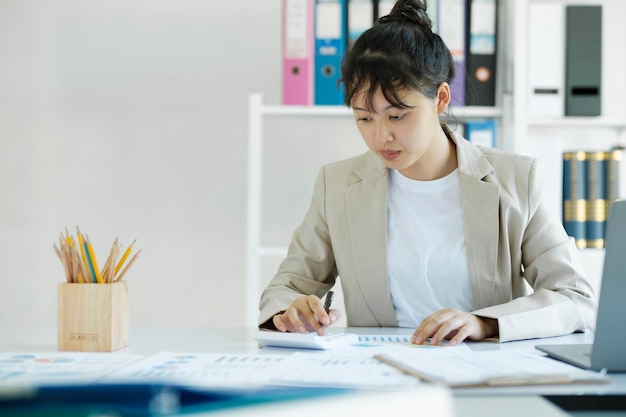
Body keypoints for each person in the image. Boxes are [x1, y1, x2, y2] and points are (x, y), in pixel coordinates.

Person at [258, 0, 596, 345]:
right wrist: (292, 311)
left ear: (441, 98)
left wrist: (486, 323)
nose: (380, 137)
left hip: (483, 373)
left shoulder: (516, 179)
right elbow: (286, 288)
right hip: (378, 376)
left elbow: (574, 298)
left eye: (397, 115)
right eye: (364, 117)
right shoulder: (338, 185)